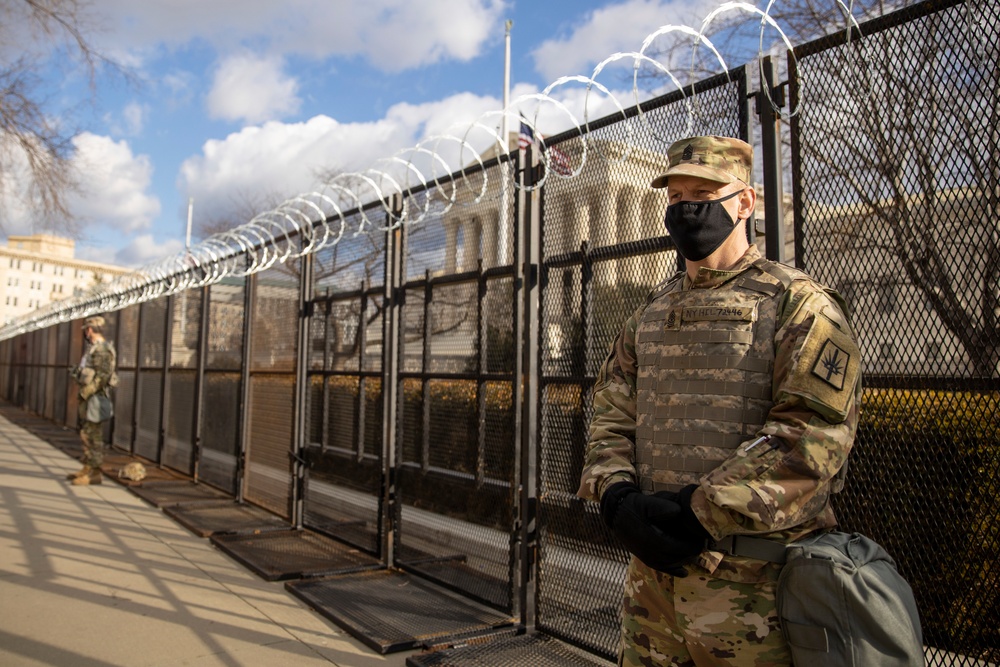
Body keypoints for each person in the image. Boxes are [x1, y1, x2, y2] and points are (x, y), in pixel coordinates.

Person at [578, 135, 862, 666]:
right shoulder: (651, 312)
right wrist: (615, 495)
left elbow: (813, 439)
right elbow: (611, 412)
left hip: (755, 594)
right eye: (676, 195)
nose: (687, 207)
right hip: (652, 591)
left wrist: (700, 511)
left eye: (703, 192)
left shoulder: (799, 304)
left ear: (745, 203)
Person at [67, 315, 117, 486]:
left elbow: (102, 377)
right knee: (85, 433)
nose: (86, 333)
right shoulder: (93, 349)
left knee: (93, 435)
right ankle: (88, 467)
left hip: (94, 397)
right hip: (88, 397)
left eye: (86, 330)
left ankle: (94, 473)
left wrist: (87, 391)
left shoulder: (103, 350)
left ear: (90, 329)